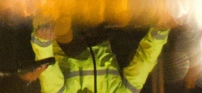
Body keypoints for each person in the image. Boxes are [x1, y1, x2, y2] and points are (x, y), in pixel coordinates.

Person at [30, 19, 169, 93]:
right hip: (99, 30)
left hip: (65, 33)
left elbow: (48, 74)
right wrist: (159, 32)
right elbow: (143, 63)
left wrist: (42, 43)